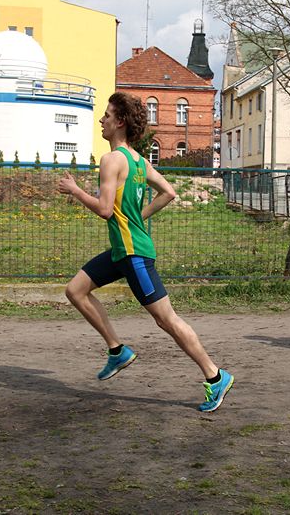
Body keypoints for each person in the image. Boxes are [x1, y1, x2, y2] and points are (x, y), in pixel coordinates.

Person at [57, 92, 234, 412]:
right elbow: (168, 192)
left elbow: (105, 210)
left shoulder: (112, 160)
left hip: (133, 254)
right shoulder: (139, 161)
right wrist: (139, 218)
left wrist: (75, 191)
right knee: (76, 290)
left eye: (107, 115)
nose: (102, 120)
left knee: (166, 320)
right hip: (122, 251)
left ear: (120, 122)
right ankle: (117, 350)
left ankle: (215, 375)